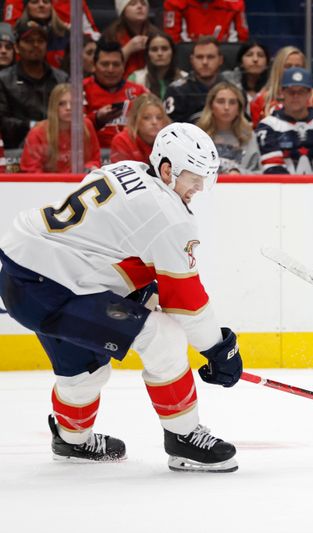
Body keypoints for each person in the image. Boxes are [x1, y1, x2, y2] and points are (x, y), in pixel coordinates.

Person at [0, 122, 242, 472]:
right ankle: (184, 438)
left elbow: (97, 240)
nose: (199, 187)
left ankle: (72, 442)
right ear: (168, 169)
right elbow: (186, 303)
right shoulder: (170, 216)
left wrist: (140, 290)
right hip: (53, 286)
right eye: (194, 177)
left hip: (21, 275)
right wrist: (218, 349)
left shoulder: (124, 169)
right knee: (165, 337)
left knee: (84, 371)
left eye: (206, 177)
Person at [256, 67, 313, 175]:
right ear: (282, 93)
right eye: (291, 91)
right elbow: (273, 169)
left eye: (301, 92)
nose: (295, 96)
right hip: (282, 190)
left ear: (309, 94)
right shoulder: (268, 126)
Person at [0, 19, 67, 149]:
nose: (36, 45)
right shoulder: (3, 79)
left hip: (56, 147)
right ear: (17, 47)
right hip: (15, 150)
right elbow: (1, 120)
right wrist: (31, 126)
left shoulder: (61, 78)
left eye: (40, 41)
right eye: (29, 41)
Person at [20, 82, 101, 172]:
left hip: (80, 182)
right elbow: (31, 170)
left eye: (73, 103)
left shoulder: (86, 126)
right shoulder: (38, 132)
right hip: (47, 184)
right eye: (62, 103)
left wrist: (89, 168)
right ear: (53, 106)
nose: (68, 108)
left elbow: (94, 159)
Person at [83, 39, 148, 148]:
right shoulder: (80, 89)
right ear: (94, 66)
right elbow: (69, 129)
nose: (110, 69)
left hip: (131, 154)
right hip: (93, 154)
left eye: (116, 64)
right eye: (105, 64)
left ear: (124, 66)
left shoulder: (140, 92)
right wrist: (97, 119)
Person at [249, 46, 313, 128]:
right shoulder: (261, 100)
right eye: (288, 66)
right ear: (278, 68)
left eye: (298, 66)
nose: (293, 71)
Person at [196, 81, 260, 173]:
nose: (226, 107)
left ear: (239, 108)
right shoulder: (197, 135)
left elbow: (258, 172)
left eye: (232, 102)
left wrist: (239, 173)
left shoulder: (249, 136)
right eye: (221, 101)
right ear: (211, 106)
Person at [164, 36, 224, 124]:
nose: (205, 62)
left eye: (210, 57)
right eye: (199, 57)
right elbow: (170, 129)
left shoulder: (233, 90)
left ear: (220, 60)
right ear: (192, 60)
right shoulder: (176, 91)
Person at [102, 0, 159, 79]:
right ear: (123, 10)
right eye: (133, 4)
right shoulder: (111, 34)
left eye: (143, 4)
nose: (140, 7)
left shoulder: (156, 33)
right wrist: (128, 49)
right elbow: (105, 68)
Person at [110, 93, 170, 163]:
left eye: (159, 118)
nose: (154, 122)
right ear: (135, 120)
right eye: (146, 118)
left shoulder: (170, 141)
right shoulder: (122, 140)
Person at [128, 31, 187, 100]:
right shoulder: (136, 79)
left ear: (172, 53)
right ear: (147, 54)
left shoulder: (186, 78)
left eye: (164, 49)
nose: (159, 53)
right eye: (154, 49)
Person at [2, 0, 100, 41]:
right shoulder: (15, 1)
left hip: (63, 59)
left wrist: (71, 32)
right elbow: (9, 37)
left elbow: (94, 37)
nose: (41, 5)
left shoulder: (74, 2)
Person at [13, 0, 69, 69]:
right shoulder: (16, 33)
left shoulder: (65, 33)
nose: (41, 5)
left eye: (45, 2)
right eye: (35, 2)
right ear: (26, 7)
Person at [163, 0, 249, 43]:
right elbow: (172, 41)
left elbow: (241, 41)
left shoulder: (234, 3)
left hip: (225, 61)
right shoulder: (174, 2)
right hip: (186, 60)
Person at [220, 41, 269, 113]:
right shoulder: (227, 83)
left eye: (260, 55)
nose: (255, 59)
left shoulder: (274, 87)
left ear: (267, 64)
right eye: (249, 55)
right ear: (241, 63)